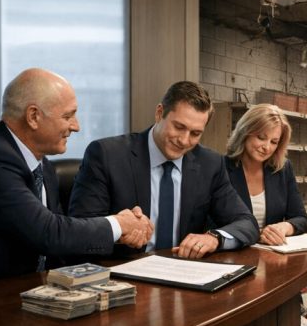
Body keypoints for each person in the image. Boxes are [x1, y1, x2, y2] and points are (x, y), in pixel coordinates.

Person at [0, 68, 153, 284]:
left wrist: (121, 235)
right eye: (68, 116)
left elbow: (61, 246)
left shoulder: (42, 165)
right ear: (33, 116)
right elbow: (48, 233)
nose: (76, 126)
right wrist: (119, 224)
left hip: (36, 295)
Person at [69, 81, 259, 259]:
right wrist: (119, 232)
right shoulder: (107, 155)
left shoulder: (210, 164)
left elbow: (247, 223)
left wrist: (214, 238)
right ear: (159, 113)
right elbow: (79, 230)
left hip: (182, 274)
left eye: (195, 133)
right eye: (179, 127)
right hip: (121, 273)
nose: (184, 141)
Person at [224, 104, 307, 245]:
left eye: (274, 142)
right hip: (235, 253)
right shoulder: (221, 168)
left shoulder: (283, 168)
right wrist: (256, 236)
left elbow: (301, 218)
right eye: (261, 137)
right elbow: (211, 224)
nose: (267, 147)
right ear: (245, 132)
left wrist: (284, 227)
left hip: (272, 253)